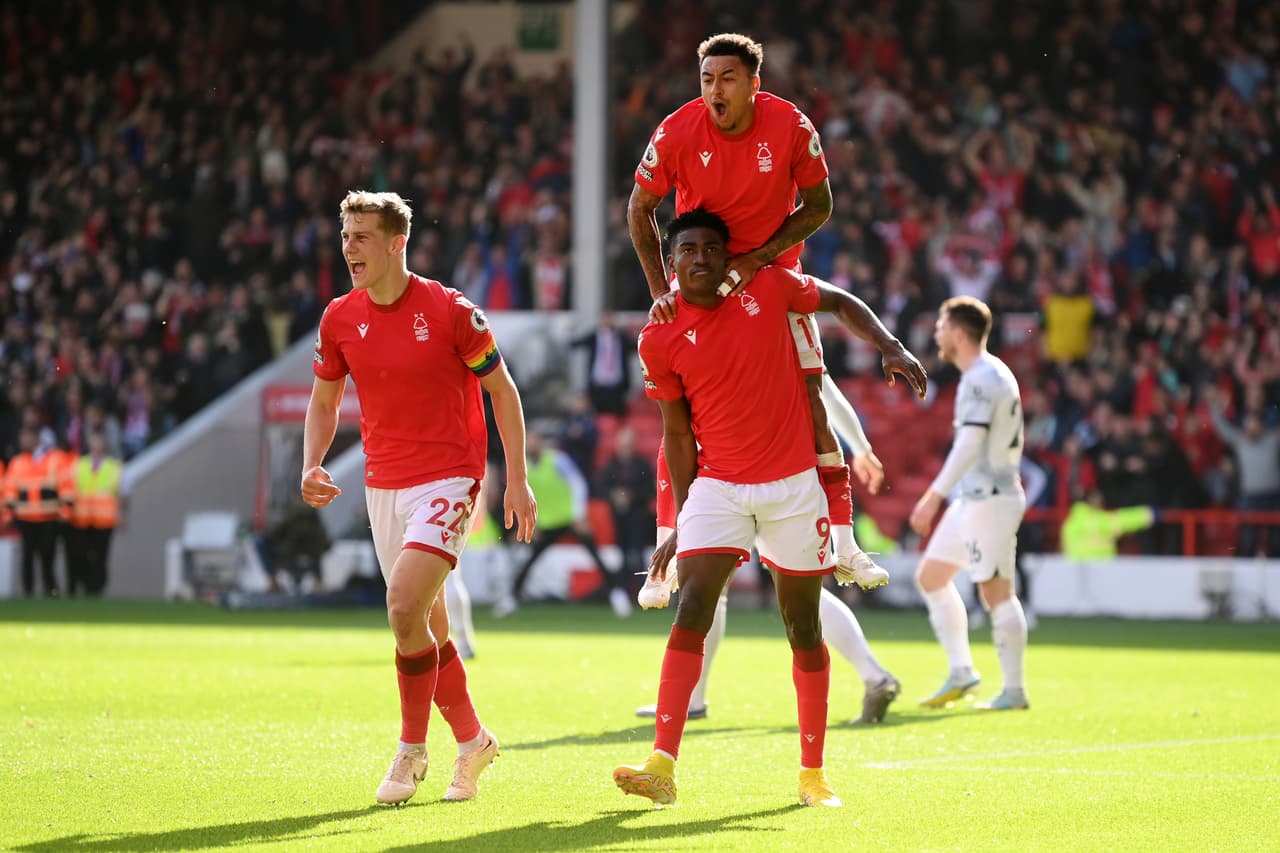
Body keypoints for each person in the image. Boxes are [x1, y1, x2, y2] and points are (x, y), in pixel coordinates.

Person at [628, 32, 901, 722]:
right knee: (678, 415)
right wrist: (664, 287)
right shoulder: (677, 132)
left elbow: (820, 206)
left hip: (767, 282)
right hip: (700, 291)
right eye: (704, 77)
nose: (713, 90)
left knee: (809, 402)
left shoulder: (789, 126)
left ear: (754, 80)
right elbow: (639, 209)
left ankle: (842, 541)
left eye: (726, 77)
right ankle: (689, 675)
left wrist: (763, 261)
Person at [613, 210, 926, 808]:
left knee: (801, 626)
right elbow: (677, 436)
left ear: (728, 255)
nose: (701, 258)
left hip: (792, 489)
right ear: (670, 262)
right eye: (688, 250)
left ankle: (813, 774)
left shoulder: (770, 287)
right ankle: (662, 763)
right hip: (718, 488)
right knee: (693, 609)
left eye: (711, 248)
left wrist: (889, 344)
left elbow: (838, 301)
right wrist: (683, 519)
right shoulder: (660, 334)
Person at [302, 190, 537, 806]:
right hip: (384, 485)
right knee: (424, 626)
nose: (349, 247)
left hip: (450, 477)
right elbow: (324, 402)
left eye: (360, 236)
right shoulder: (339, 318)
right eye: (345, 234)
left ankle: (410, 752)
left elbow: (503, 391)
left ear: (396, 241)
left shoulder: (452, 310)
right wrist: (312, 464)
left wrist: (516, 476)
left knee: (404, 606)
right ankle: (474, 741)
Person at [909, 296, 1030, 712]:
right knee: (931, 576)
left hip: (990, 498)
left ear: (959, 333)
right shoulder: (991, 373)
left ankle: (1014, 690)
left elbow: (970, 442)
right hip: (975, 497)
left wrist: (933, 495)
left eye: (941, 326)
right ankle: (962, 671)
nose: (936, 333)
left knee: (996, 591)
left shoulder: (980, 378)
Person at [495, 431, 632, 619]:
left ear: (541, 444)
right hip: (547, 523)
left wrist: (579, 515)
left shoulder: (557, 460)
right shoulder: (523, 467)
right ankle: (511, 598)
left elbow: (578, 484)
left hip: (570, 519)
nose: (531, 446)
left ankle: (617, 595)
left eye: (534, 442)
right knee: (530, 561)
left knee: (596, 556)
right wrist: (530, 522)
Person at [3, 425, 69, 597]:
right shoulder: (18, 462)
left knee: (47, 555)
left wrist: (65, 511)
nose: (22, 440)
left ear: (36, 438)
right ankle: (28, 593)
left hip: (49, 517)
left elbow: (66, 486)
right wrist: (9, 515)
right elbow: (10, 490)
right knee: (27, 557)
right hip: (26, 518)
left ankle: (50, 591)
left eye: (26, 436)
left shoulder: (55, 459)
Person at [65, 430, 124, 596]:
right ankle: (86, 584)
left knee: (101, 556)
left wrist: (121, 515)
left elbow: (121, 493)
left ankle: (97, 588)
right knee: (82, 554)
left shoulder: (113, 466)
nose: (96, 446)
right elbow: (72, 489)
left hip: (104, 520)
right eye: (93, 442)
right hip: (82, 519)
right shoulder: (80, 464)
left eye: (99, 442)